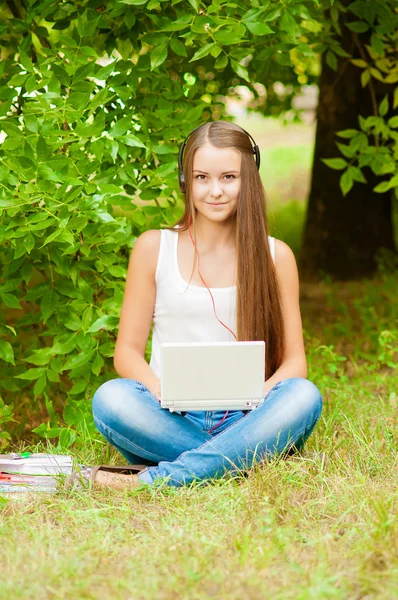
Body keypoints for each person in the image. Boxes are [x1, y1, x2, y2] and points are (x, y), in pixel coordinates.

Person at [90, 121, 322, 490]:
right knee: (111, 400)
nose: (215, 191)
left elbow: (296, 364)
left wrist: (262, 396)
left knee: (304, 397)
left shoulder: (277, 256)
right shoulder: (154, 248)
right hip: (171, 415)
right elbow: (127, 354)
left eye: (229, 177)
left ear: (249, 180)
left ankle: (160, 479)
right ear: (186, 181)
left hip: (247, 417)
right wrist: (158, 388)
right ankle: (245, 459)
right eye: (202, 177)